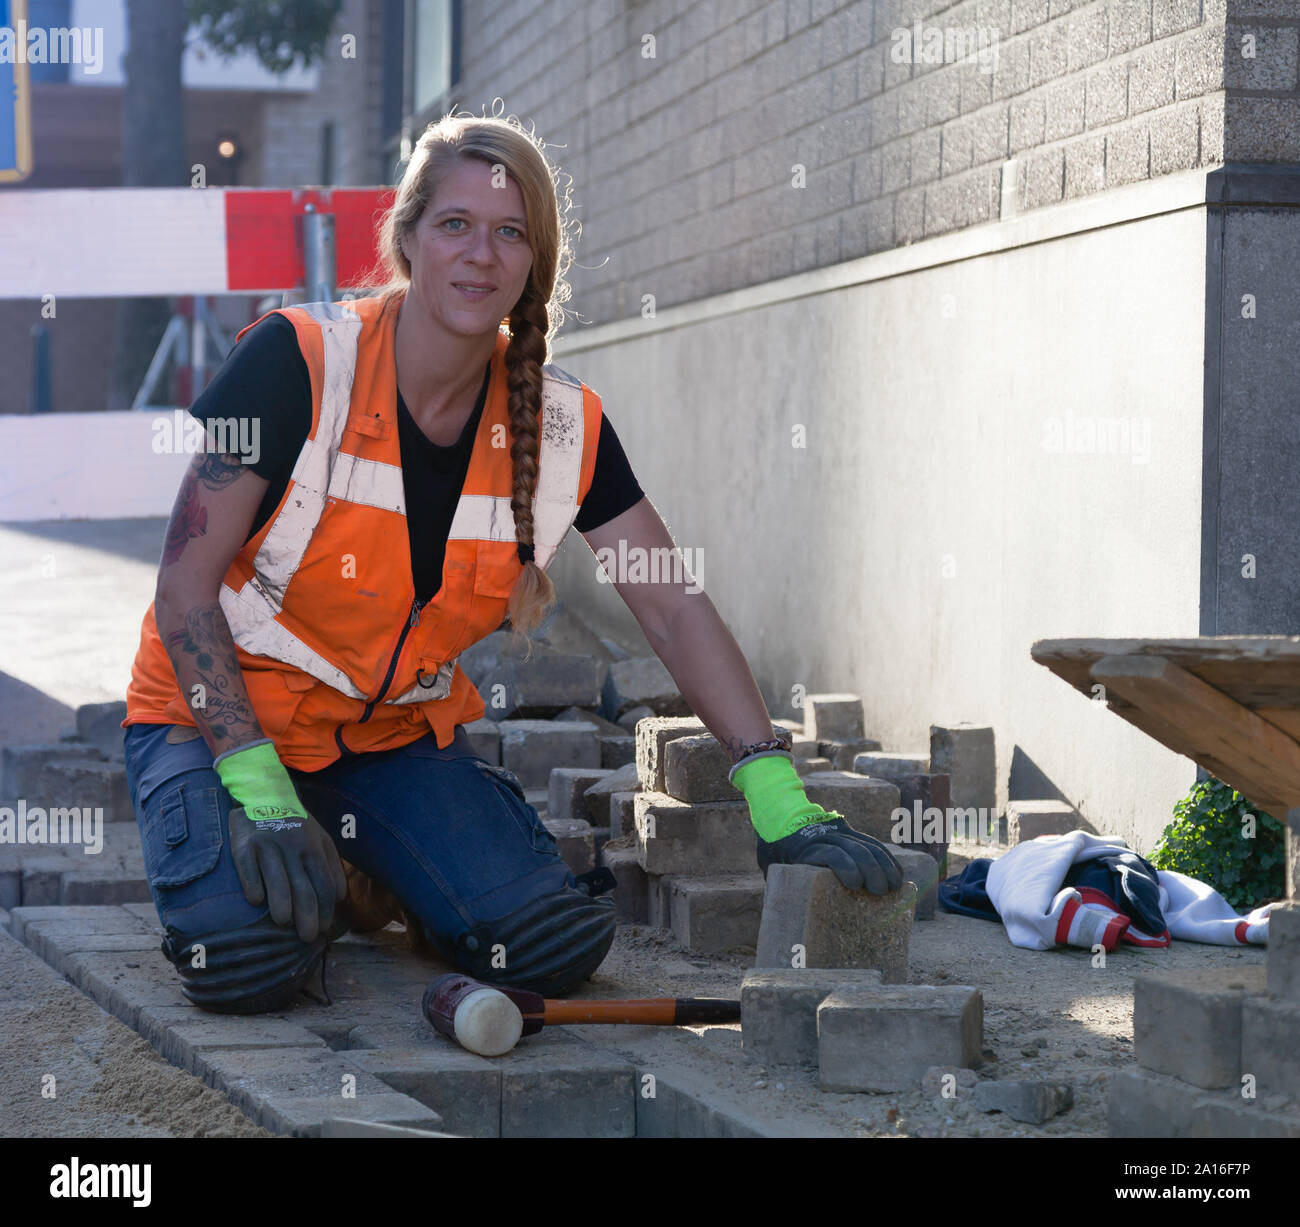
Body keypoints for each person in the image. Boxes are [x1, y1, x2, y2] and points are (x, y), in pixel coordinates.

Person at [121, 108, 902, 1016]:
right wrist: (255, 786)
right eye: (454, 224)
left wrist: (777, 794)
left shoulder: (564, 429)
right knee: (245, 963)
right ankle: (301, 854)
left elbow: (672, 606)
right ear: (408, 236)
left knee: (545, 944)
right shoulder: (297, 361)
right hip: (215, 727)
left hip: (380, 744)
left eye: (510, 233)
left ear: (536, 261)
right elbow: (183, 590)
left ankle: (365, 866)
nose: (480, 255)